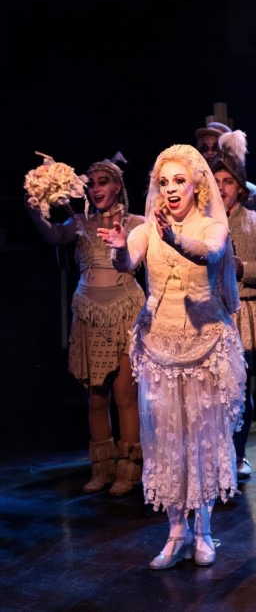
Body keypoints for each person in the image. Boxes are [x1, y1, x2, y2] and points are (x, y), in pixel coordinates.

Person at [97, 144, 247, 568]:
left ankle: (204, 533)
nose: (170, 189)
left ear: (197, 184)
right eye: (164, 182)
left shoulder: (212, 226)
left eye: (179, 180)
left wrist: (175, 238)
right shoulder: (148, 228)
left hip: (205, 345)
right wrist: (117, 248)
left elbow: (210, 253)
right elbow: (127, 262)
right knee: (167, 442)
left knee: (202, 439)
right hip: (160, 345)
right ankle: (174, 532)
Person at [24, 152, 145, 496]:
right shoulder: (79, 224)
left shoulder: (136, 222)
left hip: (125, 310)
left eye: (102, 182)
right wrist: (35, 207)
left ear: (118, 185)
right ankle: (102, 467)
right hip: (89, 312)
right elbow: (52, 236)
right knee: (95, 398)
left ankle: (128, 468)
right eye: (90, 184)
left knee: (125, 394)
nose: (94, 189)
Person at [211, 130, 256, 480]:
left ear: (240, 186)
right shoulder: (203, 223)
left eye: (228, 181)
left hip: (243, 311)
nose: (222, 187)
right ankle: (215, 455)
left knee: (239, 391)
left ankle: (238, 454)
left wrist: (245, 269)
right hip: (210, 313)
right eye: (216, 180)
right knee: (211, 393)